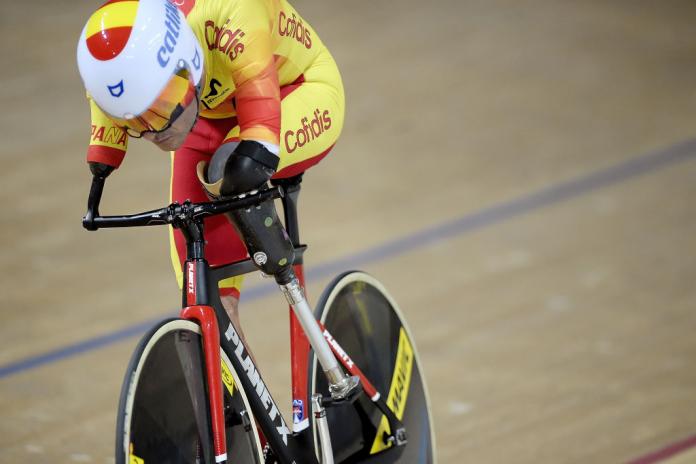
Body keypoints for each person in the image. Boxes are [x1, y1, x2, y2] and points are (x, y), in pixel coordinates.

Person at [77, 0, 344, 328]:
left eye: (159, 109)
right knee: (203, 292)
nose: (154, 135)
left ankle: (284, 270)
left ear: (185, 63)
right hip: (205, 113)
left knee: (230, 173)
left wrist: (246, 176)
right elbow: (105, 94)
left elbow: (259, 114)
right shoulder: (124, 38)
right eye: (137, 123)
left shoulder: (229, 10)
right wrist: (102, 166)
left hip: (295, 88)